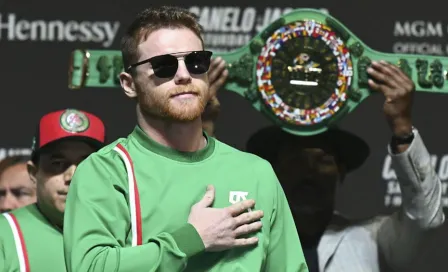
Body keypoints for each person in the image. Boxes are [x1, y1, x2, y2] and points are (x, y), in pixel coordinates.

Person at [63, 6, 308, 272]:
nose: (183, 75)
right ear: (129, 84)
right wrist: (191, 239)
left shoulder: (257, 173)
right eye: (164, 66)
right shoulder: (106, 171)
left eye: (195, 62)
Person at [246, 61, 445, 271]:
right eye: (296, 160)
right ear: (275, 170)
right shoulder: (241, 241)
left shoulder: (374, 240)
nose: (308, 173)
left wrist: (402, 127)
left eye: (322, 160)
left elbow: (426, 219)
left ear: (340, 171)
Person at [0, 109, 106, 272]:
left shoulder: (126, 233)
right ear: (34, 173)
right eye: (57, 163)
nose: (72, 176)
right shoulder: (5, 234)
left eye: (87, 164)